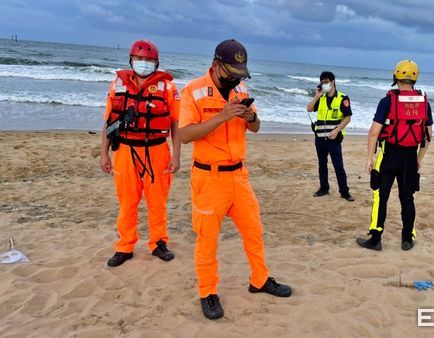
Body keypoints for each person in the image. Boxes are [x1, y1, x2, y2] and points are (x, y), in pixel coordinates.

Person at [178, 39, 292, 320]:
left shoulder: (241, 89)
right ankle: (207, 292)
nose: (237, 78)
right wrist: (222, 116)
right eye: (232, 72)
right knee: (207, 240)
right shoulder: (192, 90)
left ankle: (260, 280)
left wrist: (251, 116)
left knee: (254, 231)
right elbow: (185, 135)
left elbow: (256, 128)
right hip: (208, 178)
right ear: (216, 65)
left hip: (239, 176)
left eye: (240, 73)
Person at [100, 40, 181, 267]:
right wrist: (104, 154)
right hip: (125, 150)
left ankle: (158, 243)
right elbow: (109, 121)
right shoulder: (117, 84)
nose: (143, 63)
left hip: (157, 150)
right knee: (127, 202)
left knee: (157, 202)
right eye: (139, 59)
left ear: (156, 63)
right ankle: (125, 246)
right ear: (131, 60)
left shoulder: (168, 88)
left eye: (148, 60)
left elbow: (176, 123)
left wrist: (176, 155)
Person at [356, 60, 433, 251]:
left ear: (396, 77)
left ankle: (376, 238)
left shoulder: (387, 101)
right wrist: (419, 158)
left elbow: (374, 132)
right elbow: (428, 135)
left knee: (380, 197)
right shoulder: (424, 102)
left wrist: (369, 158)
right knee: (407, 198)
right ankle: (407, 238)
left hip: (389, 155)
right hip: (410, 157)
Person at [306, 71, 354, 202]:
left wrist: (337, 130)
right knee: (322, 165)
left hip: (334, 140)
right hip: (320, 139)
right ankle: (324, 188)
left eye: (326, 82)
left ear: (333, 82)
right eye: (322, 82)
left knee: (338, 166)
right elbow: (309, 109)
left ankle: (344, 192)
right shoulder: (320, 98)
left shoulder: (343, 98)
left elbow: (348, 117)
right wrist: (317, 96)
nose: (324, 84)